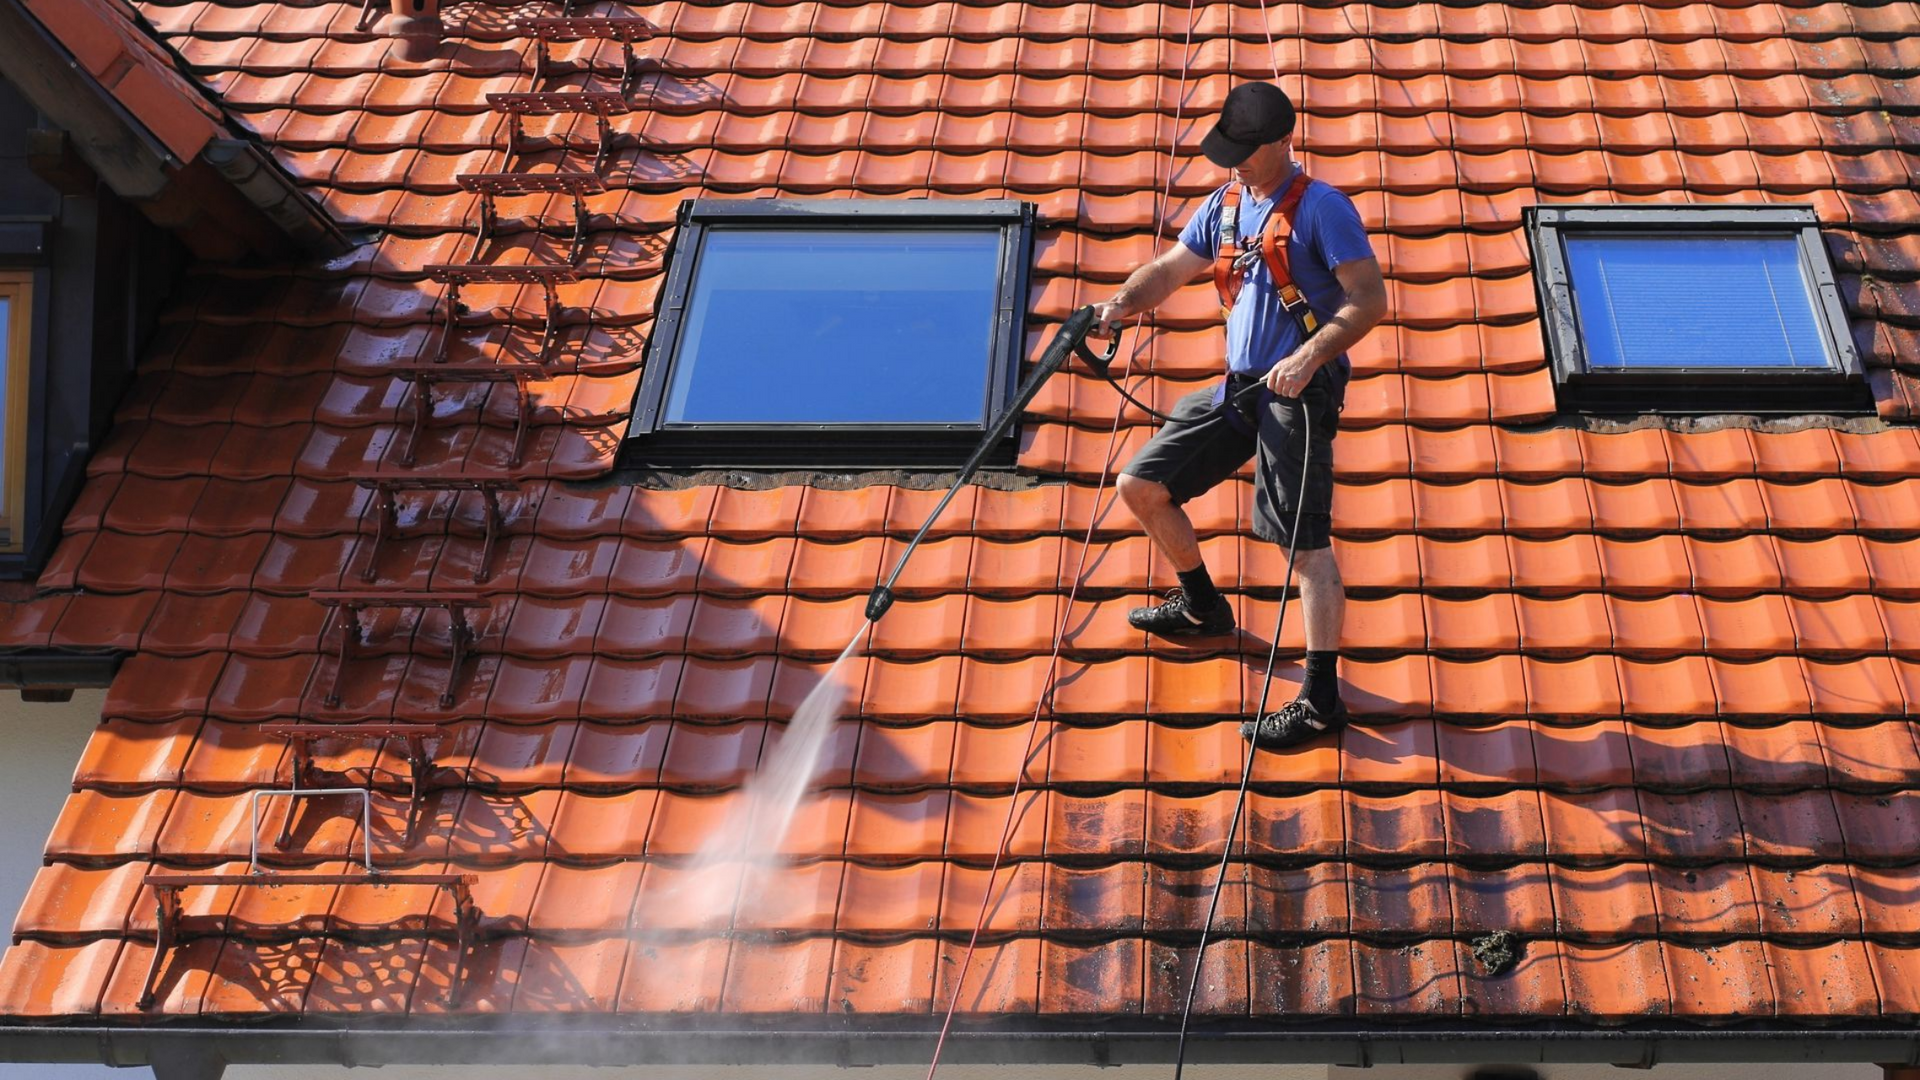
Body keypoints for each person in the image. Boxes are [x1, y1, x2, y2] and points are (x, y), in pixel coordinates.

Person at [1090, 81, 1389, 749]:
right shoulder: (1226, 204)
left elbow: (1369, 300)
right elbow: (1171, 269)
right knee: (1141, 484)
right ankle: (1202, 605)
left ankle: (1321, 700)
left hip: (1299, 393)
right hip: (1242, 387)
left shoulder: (1323, 209)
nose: (1237, 165)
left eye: (1247, 153)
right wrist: (1119, 305)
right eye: (1230, 153)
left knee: (1301, 545)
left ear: (1284, 140)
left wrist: (1308, 358)